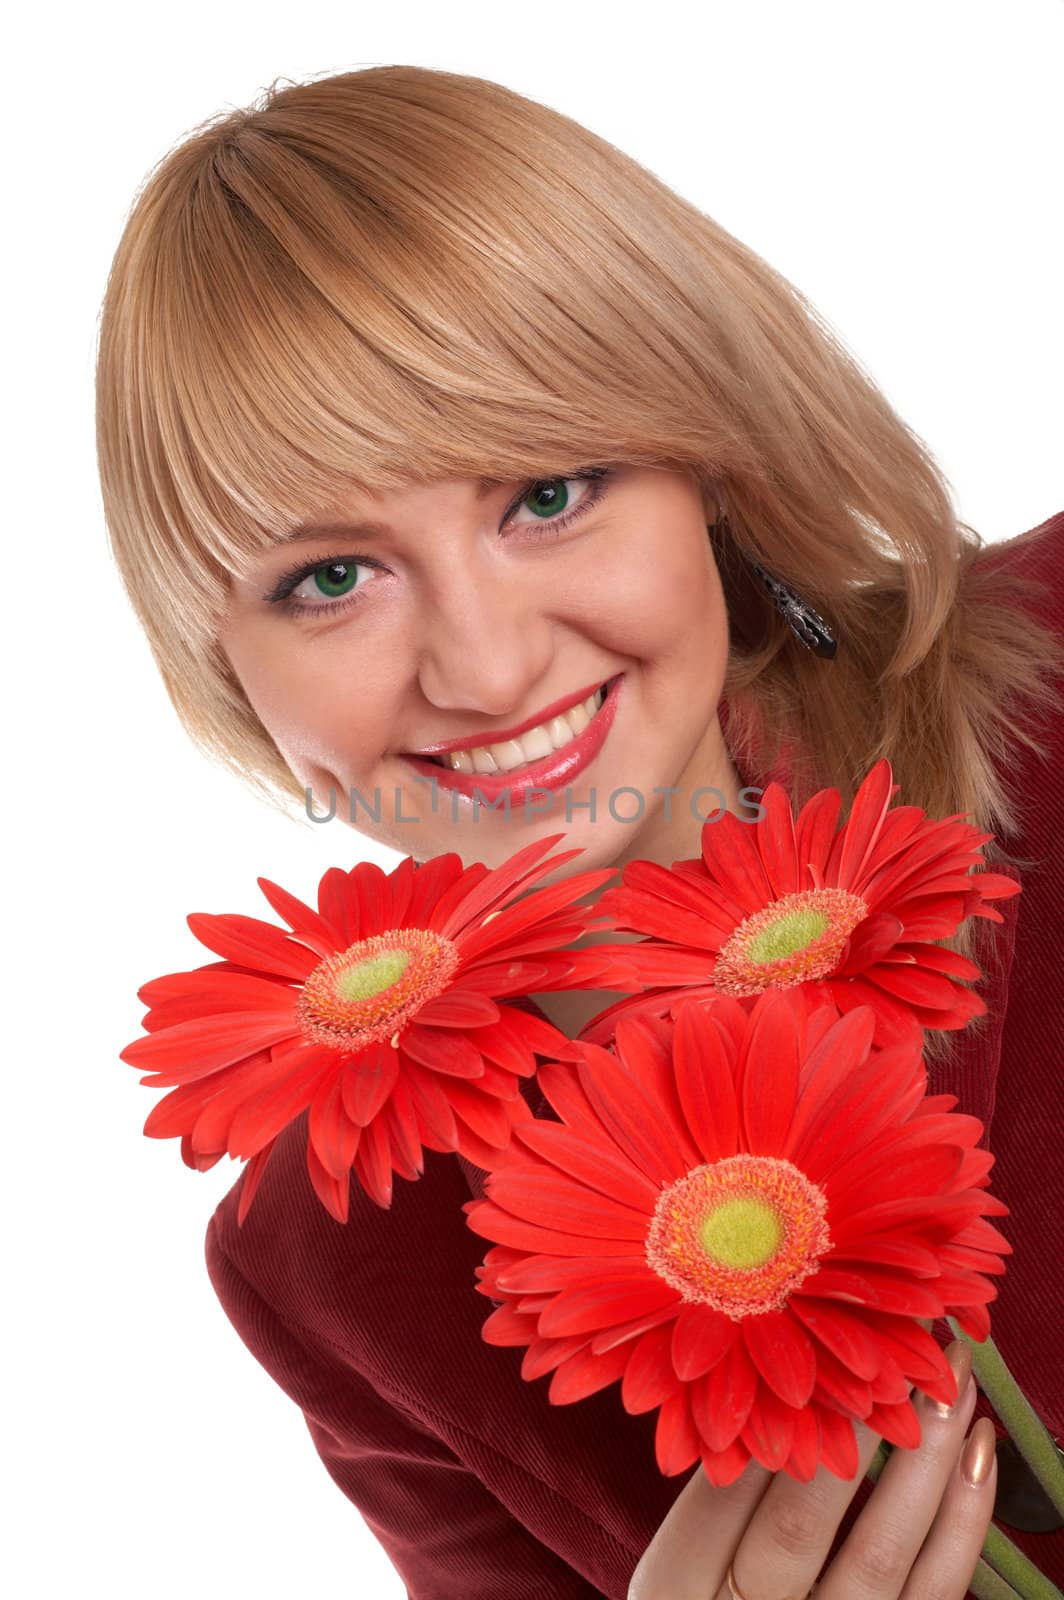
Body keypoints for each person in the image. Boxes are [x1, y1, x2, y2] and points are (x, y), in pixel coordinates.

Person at [95, 64, 1064, 1600]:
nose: (486, 670)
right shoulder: (339, 1267)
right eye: (331, 580)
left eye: (548, 489)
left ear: (712, 474)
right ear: (228, 667)